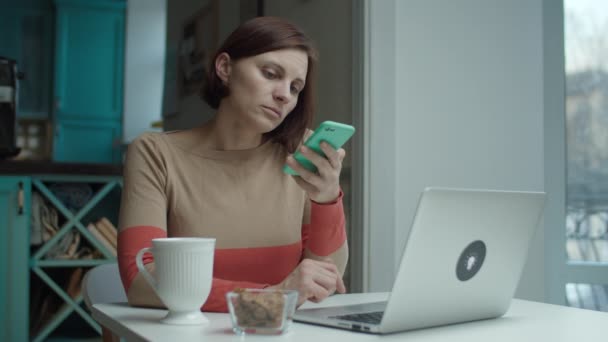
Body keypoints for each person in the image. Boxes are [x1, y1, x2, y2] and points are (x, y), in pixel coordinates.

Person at [117, 16, 349, 312]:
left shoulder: (299, 153)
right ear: (225, 68)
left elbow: (323, 279)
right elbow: (140, 279)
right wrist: (272, 297)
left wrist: (328, 199)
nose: (283, 95)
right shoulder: (155, 154)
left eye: (295, 87)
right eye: (270, 73)